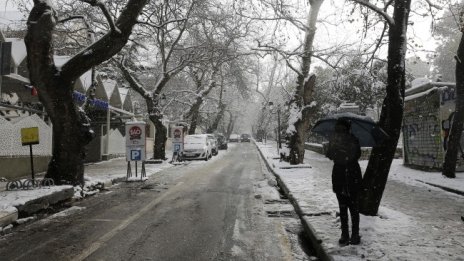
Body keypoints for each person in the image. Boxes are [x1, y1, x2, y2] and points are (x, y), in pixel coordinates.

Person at [325, 118, 362, 245]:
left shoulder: (335, 139)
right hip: (352, 175)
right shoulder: (354, 139)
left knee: (343, 207)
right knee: (354, 207)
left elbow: (329, 155)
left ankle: (345, 235)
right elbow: (357, 155)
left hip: (341, 175)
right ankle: (354, 235)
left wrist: (336, 150)